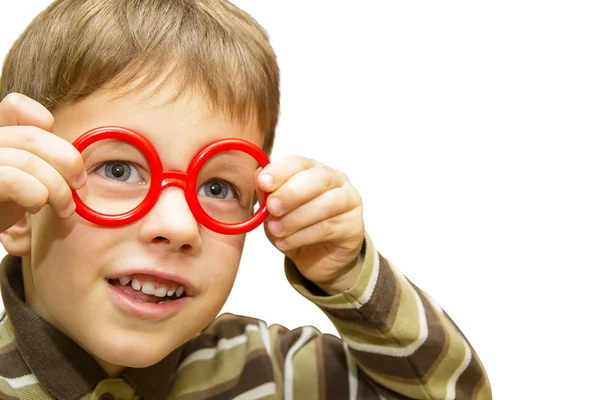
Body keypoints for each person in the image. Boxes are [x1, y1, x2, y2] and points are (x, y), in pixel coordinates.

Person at [0, 0, 491, 399]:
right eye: (118, 169)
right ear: (20, 213)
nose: (179, 225)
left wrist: (347, 274)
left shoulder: (272, 372)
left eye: (217, 188)